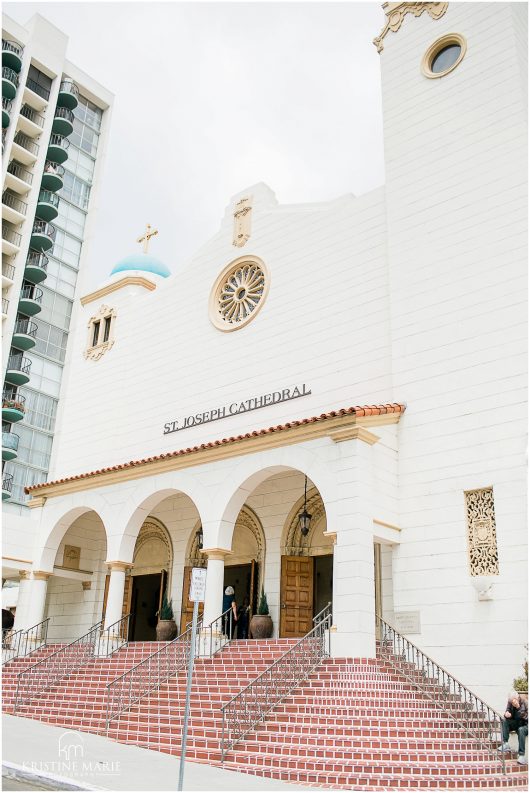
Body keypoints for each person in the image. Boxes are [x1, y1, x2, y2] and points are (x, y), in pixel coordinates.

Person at [498, 692, 528, 764]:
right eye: (510, 701)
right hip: (516, 723)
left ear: (517, 698)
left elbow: (527, 718)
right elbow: (507, 711)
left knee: (521, 730)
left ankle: (522, 756)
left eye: (513, 701)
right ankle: (506, 743)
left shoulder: (525, 702)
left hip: (525, 725)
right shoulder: (510, 702)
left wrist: (518, 708)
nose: (512, 703)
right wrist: (506, 714)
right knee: (504, 721)